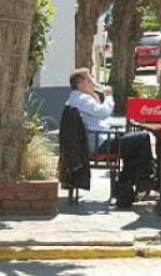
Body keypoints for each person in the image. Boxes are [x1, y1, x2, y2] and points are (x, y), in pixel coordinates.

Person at [66, 68, 154, 201]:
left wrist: (96, 97)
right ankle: (142, 181)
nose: (93, 83)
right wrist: (108, 96)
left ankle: (126, 183)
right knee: (142, 137)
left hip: (101, 139)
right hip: (100, 144)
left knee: (134, 145)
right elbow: (103, 112)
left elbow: (98, 118)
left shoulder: (77, 98)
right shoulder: (81, 99)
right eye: (90, 80)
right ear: (80, 84)